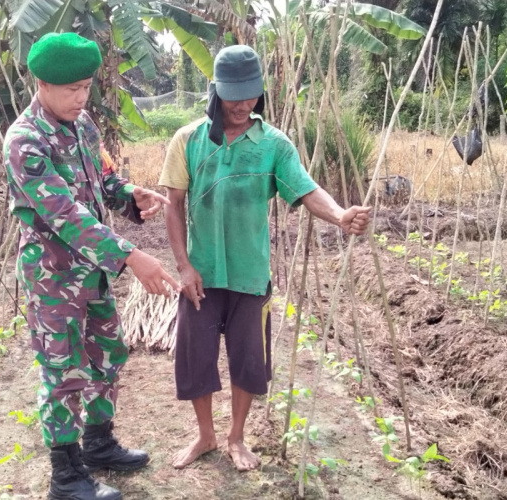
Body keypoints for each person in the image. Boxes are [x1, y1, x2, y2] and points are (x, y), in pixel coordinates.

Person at [159, 45, 371, 472]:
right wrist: (183, 265)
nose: (243, 104)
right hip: (201, 272)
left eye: (251, 94)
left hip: (251, 275)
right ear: (216, 91)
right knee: (195, 357)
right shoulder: (188, 139)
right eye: (234, 94)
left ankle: (237, 438)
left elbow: (307, 190)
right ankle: (206, 435)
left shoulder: (273, 144)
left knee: (249, 360)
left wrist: (340, 215)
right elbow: (173, 204)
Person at [4, 32, 178, 500]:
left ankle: (99, 445)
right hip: (53, 276)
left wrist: (129, 196)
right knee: (63, 371)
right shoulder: (25, 141)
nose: (81, 98)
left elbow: (100, 179)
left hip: (94, 273)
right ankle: (66, 477)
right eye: (70, 90)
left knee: (107, 355)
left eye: (86, 87)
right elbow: (64, 213)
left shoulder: (83, 126)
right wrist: (131, 256)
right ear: (41, 83)